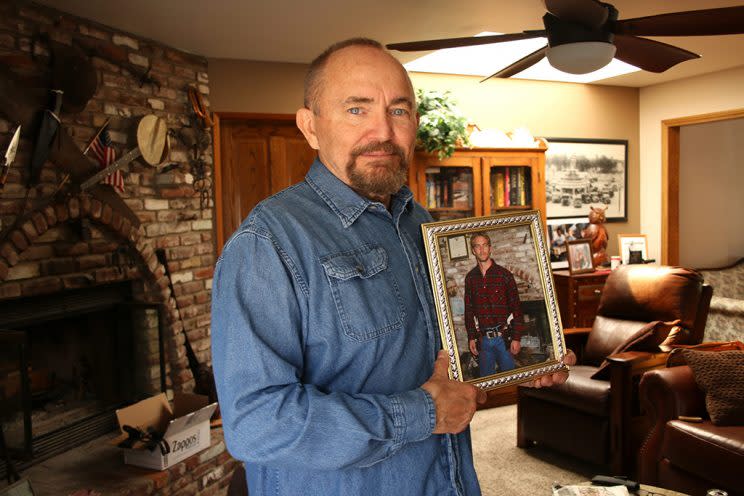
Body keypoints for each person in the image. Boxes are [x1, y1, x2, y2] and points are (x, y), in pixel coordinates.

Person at [211, 37, 574, 495]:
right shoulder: (268, 243)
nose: (383, 131)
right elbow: (255, 425)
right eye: (356, 110)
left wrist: (520, 365)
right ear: (310, 127)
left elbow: (438, 358)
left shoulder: (417, 222)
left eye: (399, 111)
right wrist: (422, 414)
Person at [464, 233, 524, 377]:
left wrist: (516, 337)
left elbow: (516, 308)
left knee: (510, 379)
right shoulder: (470, 278)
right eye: (477, 246)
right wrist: (471, 336)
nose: (482, 250)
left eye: (485, 245)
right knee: (487, 382)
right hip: (483, 340)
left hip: (504, 339)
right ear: (473, 251)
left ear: (490, 248)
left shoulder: (504, 275)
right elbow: (469, 310)